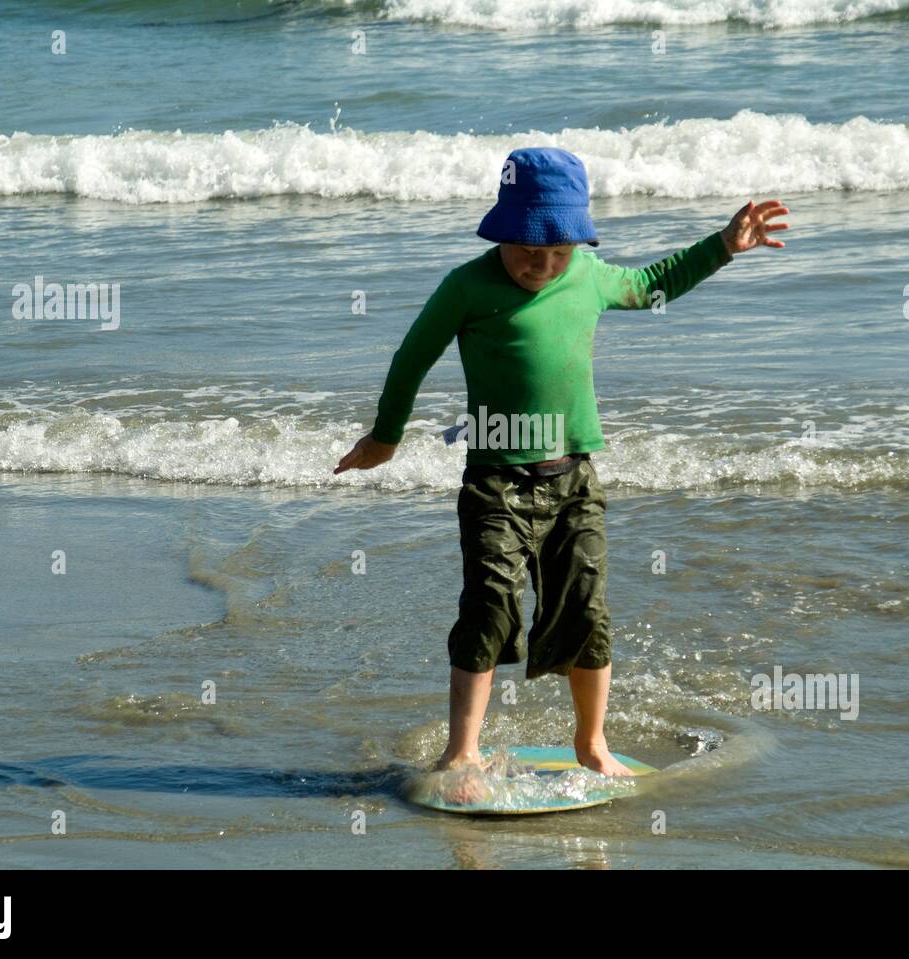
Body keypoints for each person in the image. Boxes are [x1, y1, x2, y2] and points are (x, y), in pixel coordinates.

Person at [334, 146, 788, 801]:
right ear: (502, 229)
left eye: (558, 250)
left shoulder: (591, 276)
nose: (543, 264)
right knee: (488, 606)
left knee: (587, 610)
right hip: (494, 482)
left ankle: (591, 742)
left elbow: (654, 281)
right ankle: (461, 752)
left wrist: (722, 244)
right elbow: (412, 357)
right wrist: (386, 436)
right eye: (529, 249)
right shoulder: (465, 286)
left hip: (574, 480)